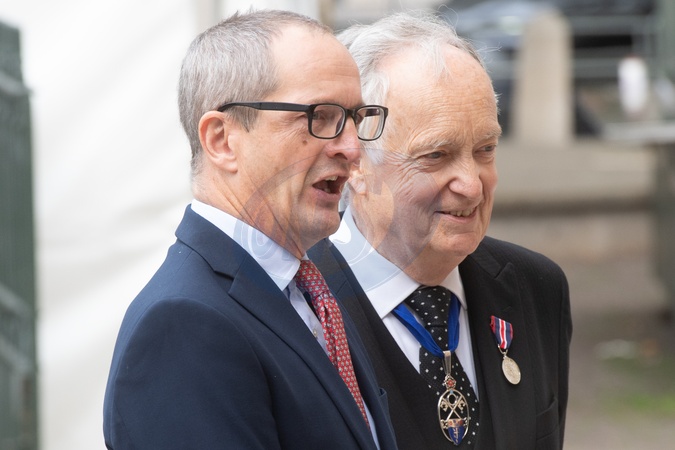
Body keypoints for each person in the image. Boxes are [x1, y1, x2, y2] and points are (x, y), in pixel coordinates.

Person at [103, 9, 396, 450]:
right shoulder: (184, 325)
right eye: (320, 116)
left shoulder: (308, 288)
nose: (352, 147)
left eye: (356, 117)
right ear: (221, 140)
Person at [309, 12, 572, 450]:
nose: (472, 185)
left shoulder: (536, 289)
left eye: (485, 150)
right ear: (356, 164)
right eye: (435, 155)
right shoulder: (298, 310)